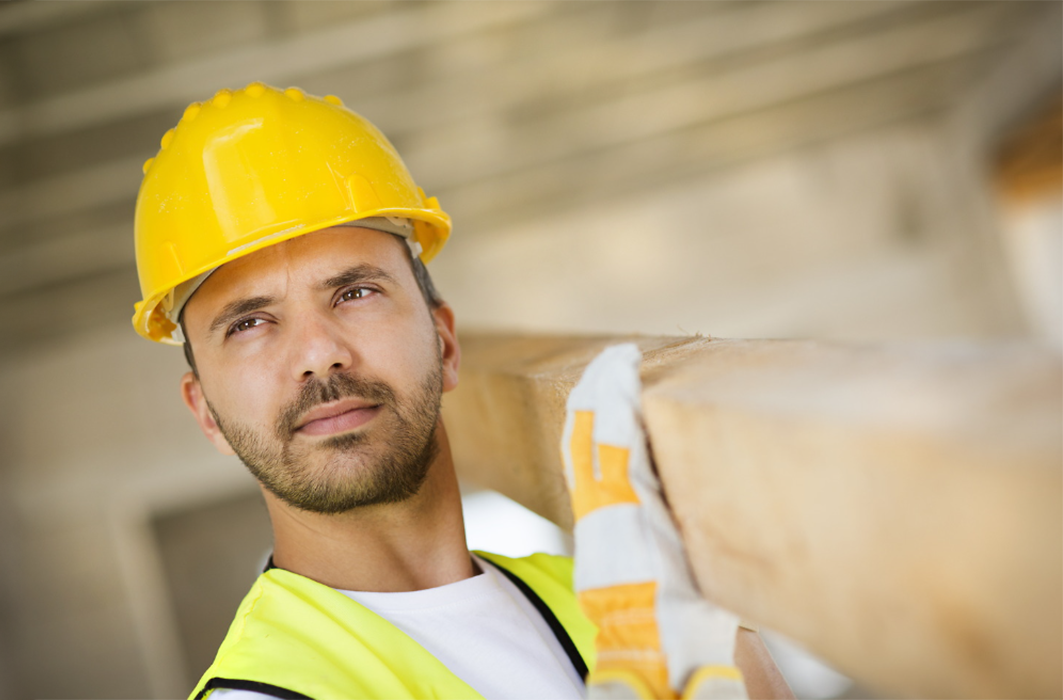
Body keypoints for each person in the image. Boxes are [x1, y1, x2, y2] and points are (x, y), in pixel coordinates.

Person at [131, 83, 788, 700]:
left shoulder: (614, 600)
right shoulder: (265, 692)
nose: (318, 352)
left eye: (354, 293)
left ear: (444, 343)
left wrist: (729, 630)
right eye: (249, 324)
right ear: (205, 413)